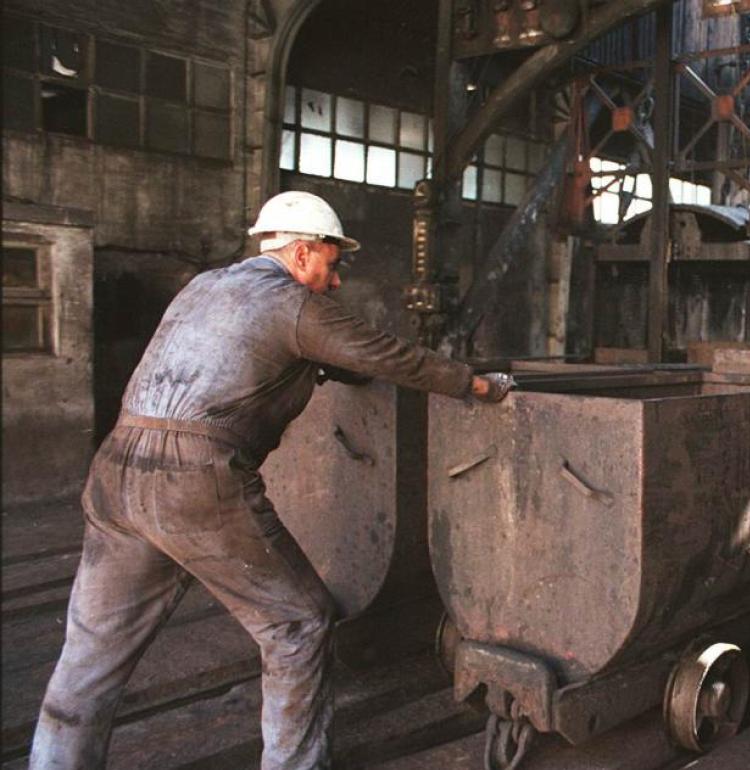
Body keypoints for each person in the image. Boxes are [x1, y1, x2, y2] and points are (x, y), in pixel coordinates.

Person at [29, 191, 513, 769]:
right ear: (304, 252)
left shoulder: (203, 286)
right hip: (194, 480)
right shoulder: (292, 304)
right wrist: (476, 386)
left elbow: (253, 354)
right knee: (299, 621)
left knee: (92, 650)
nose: (334, 283)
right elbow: (392, 357)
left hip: (116, 471)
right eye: (332, 267)